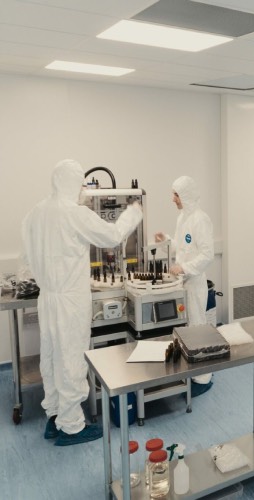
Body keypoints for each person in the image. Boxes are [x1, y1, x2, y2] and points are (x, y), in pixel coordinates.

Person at [21, 159, 142, 446]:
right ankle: (72, 426)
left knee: (51, 358)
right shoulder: (74, 213)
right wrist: (134, 212)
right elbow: (112, 236)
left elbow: (26, 259)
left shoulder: (35, 213)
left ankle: (54, 416)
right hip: (70, 300)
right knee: (71, 360)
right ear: (72, 183)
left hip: (47, 298)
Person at [155, 176, 215, 397]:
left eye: (176, 195)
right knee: (185, 330)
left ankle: (203, 379)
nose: (173, 199)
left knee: (197, 328)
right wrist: (165, 240)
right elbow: (182, 248)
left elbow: (207, 254)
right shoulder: (183, 218)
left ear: (186, 195)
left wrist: (185, 268)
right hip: (183, 283)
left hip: (195, 283)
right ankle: (190, 371)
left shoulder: (201, 220)